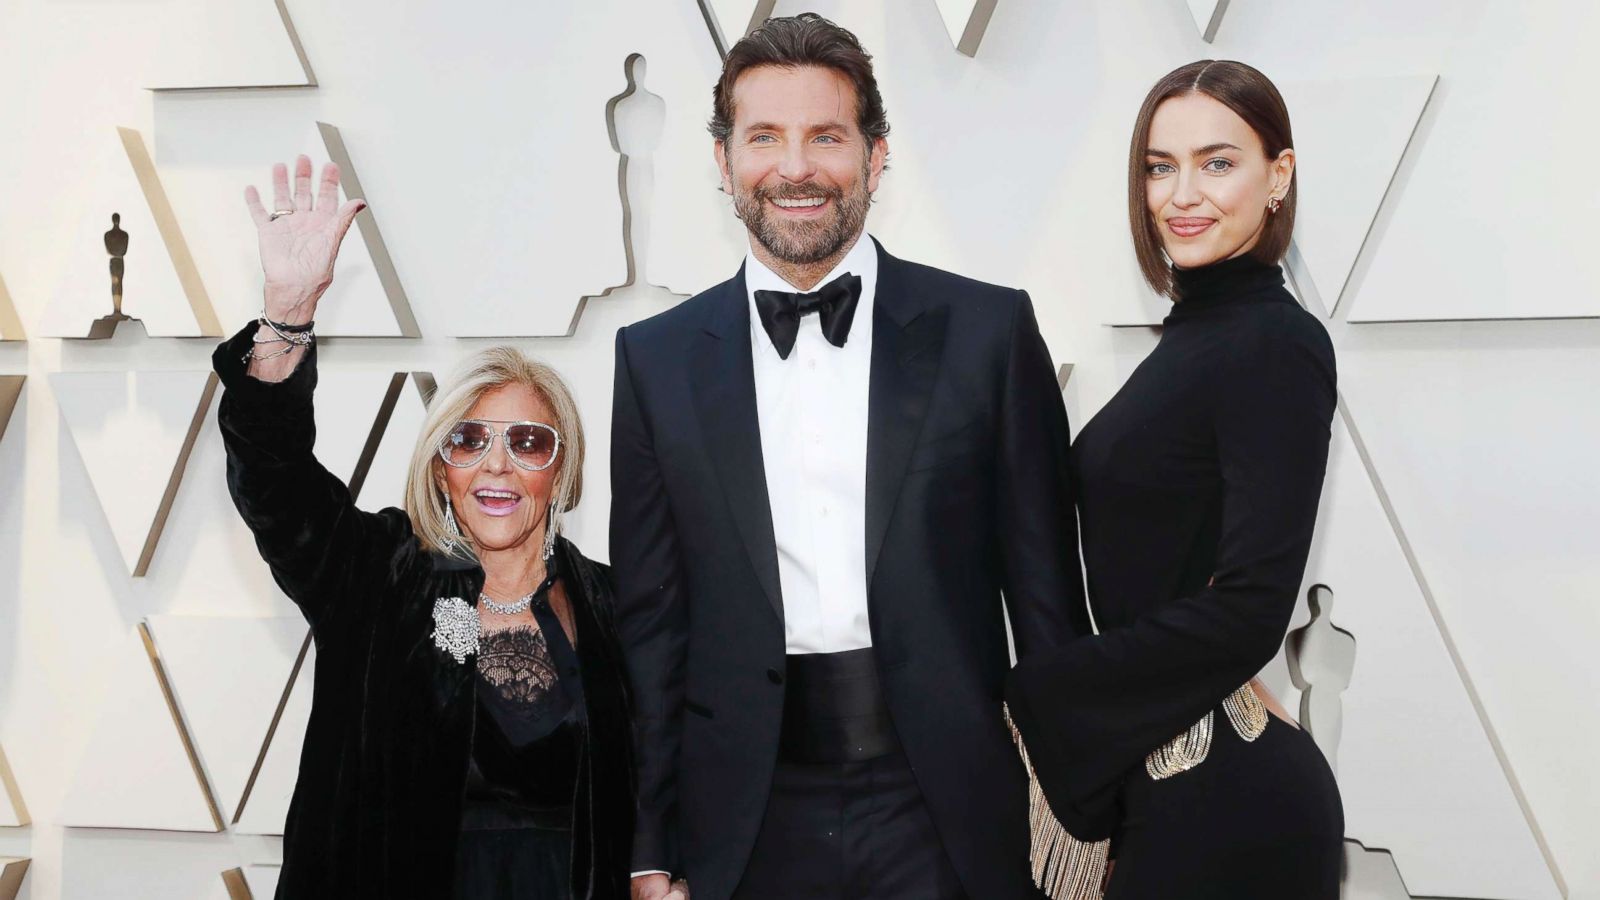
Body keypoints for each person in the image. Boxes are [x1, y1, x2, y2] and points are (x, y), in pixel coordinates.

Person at [610, 14, 1086, 900]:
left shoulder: (989, 334)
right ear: (723, 163)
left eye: (826, 136)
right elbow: (651, 628)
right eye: (764, 138)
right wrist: (649, 847)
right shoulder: (653, 360)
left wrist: (1079, 811)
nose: (796, 169)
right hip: (743, 817)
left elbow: (1049, 601)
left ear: (876, 155)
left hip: (944, 804)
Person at [216, 156, 635, 898]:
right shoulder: (380, 578)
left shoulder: (616, 609)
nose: (497, 466)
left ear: (561, 471)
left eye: (528, 442)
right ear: (442, 467)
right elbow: (273, 480)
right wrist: (288, 312)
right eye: (469, 441)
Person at [1006, 60, 1344, 899]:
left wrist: (1038, 692)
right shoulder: (1199, 335)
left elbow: (1251, 607)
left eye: (1217, 162)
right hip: (1168, 781)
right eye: (1160, 166)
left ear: (1280, 176)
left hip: (1229, 808)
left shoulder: (1275, 344)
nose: (1181, 193)